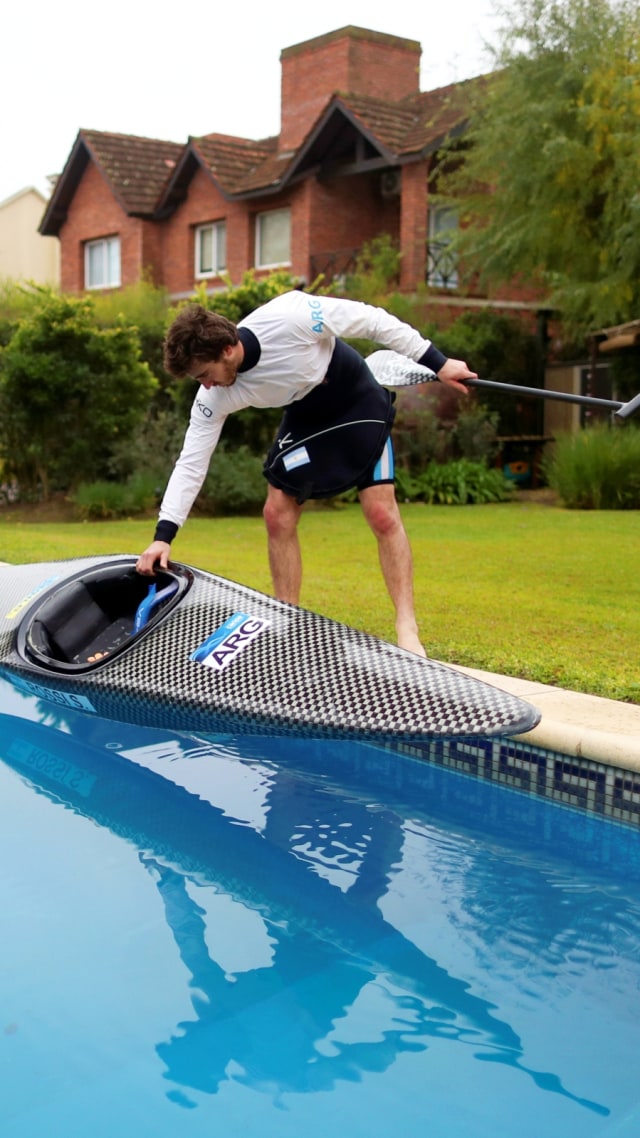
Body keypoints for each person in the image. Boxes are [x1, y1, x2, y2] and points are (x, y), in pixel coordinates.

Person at [136, 290, 477, 655]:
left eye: (205, 374)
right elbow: (192, 460)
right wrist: (163, 536)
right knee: (276, 513)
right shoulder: (213, 396)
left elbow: (372, 320)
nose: (205, 385)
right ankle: (289, 626)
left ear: (227, 350)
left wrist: (439, 363)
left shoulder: (291, 317)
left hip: (355, 399)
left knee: (381, 511)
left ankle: (407, 626)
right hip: (306, 417)